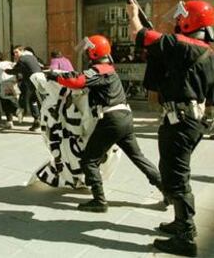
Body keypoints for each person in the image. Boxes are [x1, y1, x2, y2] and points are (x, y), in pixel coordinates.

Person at [127, 0, 214, 257]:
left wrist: (133, 13)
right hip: (192, 121)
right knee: (175, 172)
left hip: (181, 122)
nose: (177, 22)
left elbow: (138, 34)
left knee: (176, 177)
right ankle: (180, 223)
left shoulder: (181, 44)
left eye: (181, 18)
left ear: (190, 20)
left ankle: (186, 236)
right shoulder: (207, 52)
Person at [46, 35, 165, 213]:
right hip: (125, 116)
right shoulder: (109, 69)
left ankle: (99, 201)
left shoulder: (99, 69)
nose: (86, 54)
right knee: (138, 157)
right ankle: (167, 191)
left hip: (112, 119)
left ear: (93, 52)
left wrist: (55, 77)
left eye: (88, 51)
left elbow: (76, 81)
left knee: (89, 160)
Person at [6, 45, 42, 131]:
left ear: (22, 51)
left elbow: (16, 70)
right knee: (35, 99)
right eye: (14, 53)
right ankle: (38, 120)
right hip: (39, 80)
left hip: (34, 81)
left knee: (36, 100)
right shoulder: (32, 57)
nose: (15, 54)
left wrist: (7, 71)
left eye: (16, 52)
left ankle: (40, 119)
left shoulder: (22, 59)